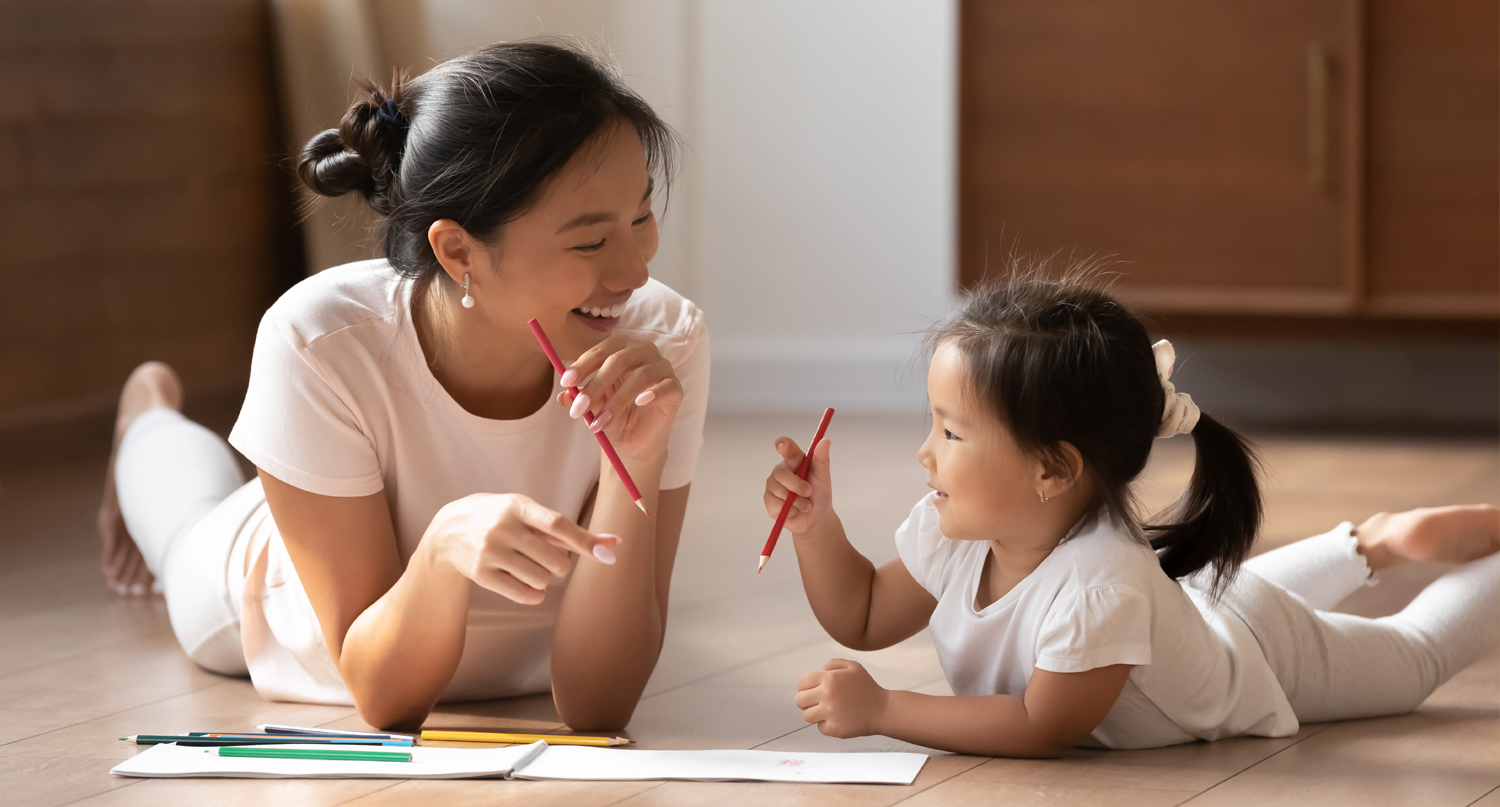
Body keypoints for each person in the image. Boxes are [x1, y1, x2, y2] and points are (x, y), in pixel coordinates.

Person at [95, 41, 709, 731]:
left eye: (641, 217)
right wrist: (440, 550)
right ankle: (145, 415)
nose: (634, 272)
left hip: (516, 663)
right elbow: (384, 697)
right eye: (591, 243)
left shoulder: (664, 339)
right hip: (281, 607)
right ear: (458, 250)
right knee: (184, 525)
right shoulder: (320, 340)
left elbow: (600, 706)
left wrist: (638, 459)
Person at [764, 270, 1499, 755]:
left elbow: (1040, 724)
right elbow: (863, 614)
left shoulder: (1101, 585)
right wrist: (815, 525)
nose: (925, 453)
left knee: (1415, 656)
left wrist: (885, 709)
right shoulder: (961, 530)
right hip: (1199, 604)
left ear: (1053, 469)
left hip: (1258, 652)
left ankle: (1387, 547)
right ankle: (1371, 543)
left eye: (951, 433)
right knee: (1229, 601)